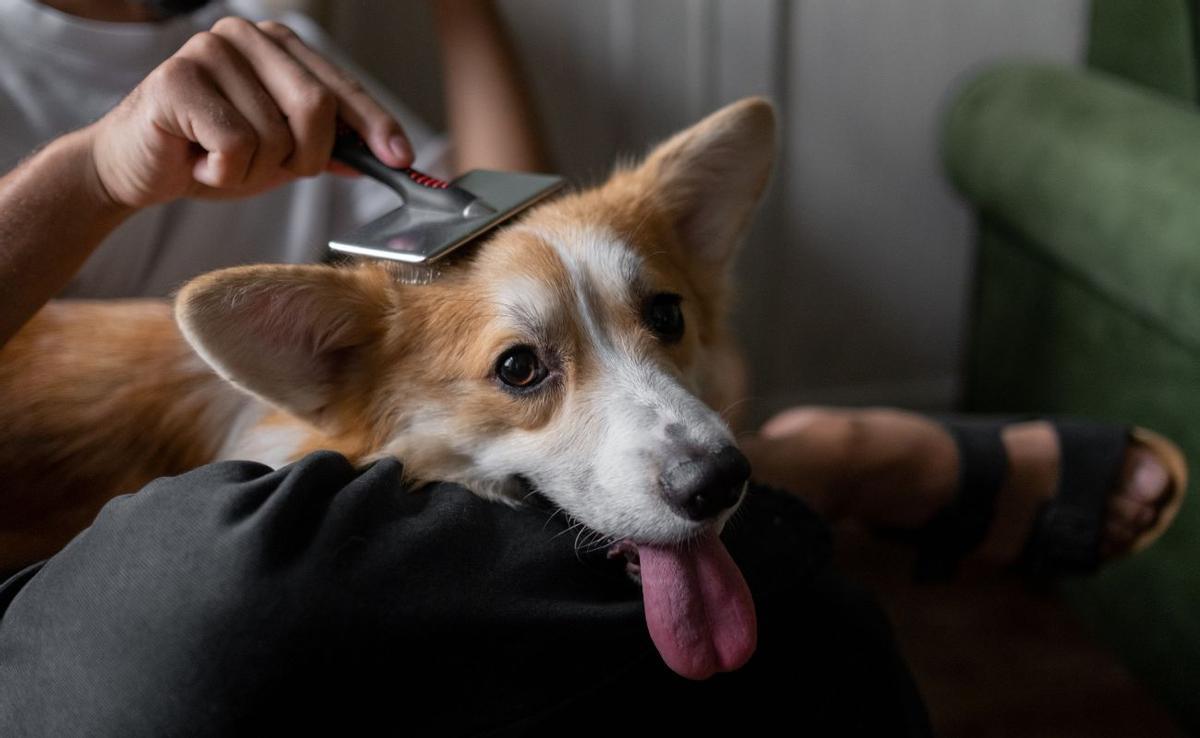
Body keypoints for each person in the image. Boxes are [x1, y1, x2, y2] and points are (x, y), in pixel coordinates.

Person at [0, 1, 1184, 734]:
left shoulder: (274, 39)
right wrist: (95, 175)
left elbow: (507, 230)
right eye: (527, 369)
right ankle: (818, 470)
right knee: (228, 591)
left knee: (772, 602)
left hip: (383, 435)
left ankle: (796, 476)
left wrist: (465, 7)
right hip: (177, 547)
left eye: (666, 316)